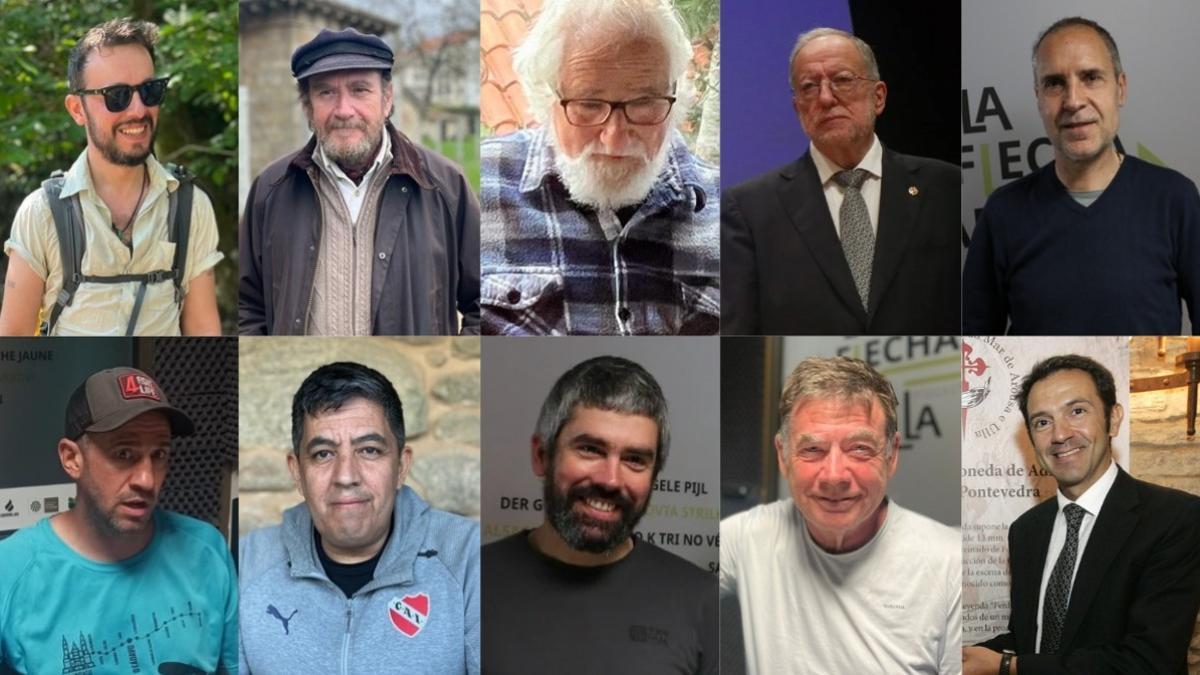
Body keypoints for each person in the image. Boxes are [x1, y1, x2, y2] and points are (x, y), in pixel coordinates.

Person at [479, 0, 719, 335]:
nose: (615, 138)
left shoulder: (730, 212)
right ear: (547, 100)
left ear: (675, 97)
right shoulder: (475, 191)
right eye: (589, 105)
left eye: (644, 102)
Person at [721, 356, 960, 673]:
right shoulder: (746, 538)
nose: (834, 476)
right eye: (812, 450)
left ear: (891, 456)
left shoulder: (950, 563)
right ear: (783, 455)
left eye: (860, 448)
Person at [963, 355, 1200, 675]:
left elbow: (1150, 661)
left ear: (1113, 419)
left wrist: (1007, 667)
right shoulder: (1027, 530)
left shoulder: (1175, 518)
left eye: (1077, 411)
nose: (1060, 435)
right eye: (1042, 422)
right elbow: (1032, 641)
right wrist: (958, 654)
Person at [239, 362, 480, 674]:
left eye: (369, 450)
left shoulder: (468, 559)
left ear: (401, 466)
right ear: (297, 471)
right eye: (323, 454)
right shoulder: (246, 564)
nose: (346, 476)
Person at [963, 18, 1200, 334]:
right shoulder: (1003, 212)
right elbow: (975, 344)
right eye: (1055, 83)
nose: (1073, 101)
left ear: (1121, 88)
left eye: (1091, 77)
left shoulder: (1175, 199)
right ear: (1038, 97)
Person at [481, 356, 717, 673]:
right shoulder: (470, 582)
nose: (610, 480)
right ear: (542, 456)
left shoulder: (704, 603)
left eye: (634, 459)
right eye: (591, 449)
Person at [239, 28, 480, 336]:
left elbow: (485, 304)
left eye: (360, 90)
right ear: (307, 107)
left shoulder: (446, 188)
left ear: (387, 98)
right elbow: (248, 306)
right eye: (326, 92)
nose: (343, 110)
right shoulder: (271, 190)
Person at [721, 28, 959, 336]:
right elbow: (737, 330)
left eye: (843, 80)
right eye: (808, 86)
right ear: (797, 109)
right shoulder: (749, 209)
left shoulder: (946, 188)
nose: (825, 97)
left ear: (879, 97)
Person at [0, 367, 236, 673]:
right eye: (124, 453)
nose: (147, 480)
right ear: (72, 458)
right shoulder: (11, 570)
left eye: (160, 454)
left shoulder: (207, 551)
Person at [0, 19, 222, 336]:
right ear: (77, 109)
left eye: (149, 91)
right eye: (116, 95)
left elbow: (204, 337)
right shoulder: (43, 213)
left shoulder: (190, 207)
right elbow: (13, 351)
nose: (137, 110)